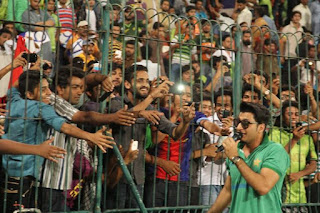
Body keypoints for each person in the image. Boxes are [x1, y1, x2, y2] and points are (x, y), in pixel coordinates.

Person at [208, 102, 290, 213]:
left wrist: (236, 158)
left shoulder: (275, 151)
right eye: (238, 122)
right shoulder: (236, 150)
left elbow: (263, 187)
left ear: (261, 127)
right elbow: (228, 191)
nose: (238, 127)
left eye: (245, 124)